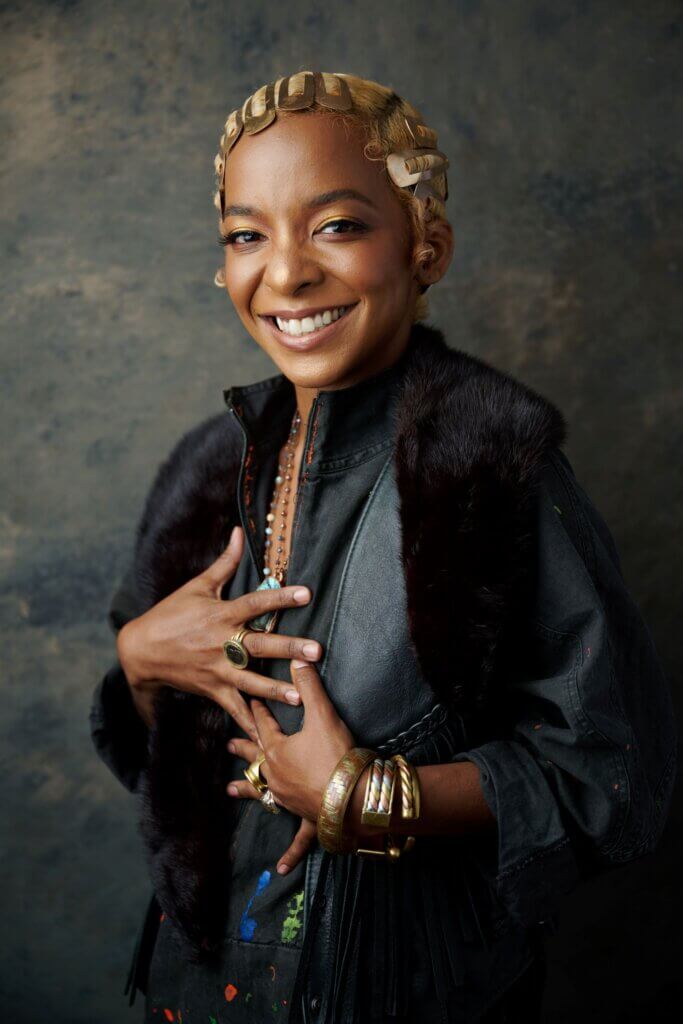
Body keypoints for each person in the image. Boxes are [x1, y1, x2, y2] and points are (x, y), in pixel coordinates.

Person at [89, 71, 677, 1024]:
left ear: (424, 247)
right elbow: (157, 763)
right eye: (247, 234)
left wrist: (360, 793)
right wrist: (140, 663)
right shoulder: (209, 463)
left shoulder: (487, 464)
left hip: (395, 986)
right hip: (198, 985)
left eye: (335, 226)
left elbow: (615, 775)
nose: (284, 273)